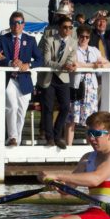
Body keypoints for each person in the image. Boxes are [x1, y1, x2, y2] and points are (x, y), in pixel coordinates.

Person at [36, 111, 110, 219]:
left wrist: (57, 175)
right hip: (93, 212)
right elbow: (67, 189)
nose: (91, 138)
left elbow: (95, 179)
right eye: (89, 133)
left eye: (96, 134)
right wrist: (55, 183)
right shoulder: (87, 158)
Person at [0, 11, 42, 147]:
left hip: (24, 79)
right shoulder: (3, 39)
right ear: (10, 24)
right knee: (12, 107)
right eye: (14, 22)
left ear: (24, 24)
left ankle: (16, 141)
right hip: (9, 79)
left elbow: (40, 59)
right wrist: (10, 63)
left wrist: (28, 65)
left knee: (21, 111)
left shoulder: (30, 40)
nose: (17, 25)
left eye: (20, 22)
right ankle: (12, 137)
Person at [67, 25, 110, 146]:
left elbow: (108, 64)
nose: (84, 39)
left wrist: (98, 65)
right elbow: (75, 63)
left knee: (91, 119)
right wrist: (93, 65)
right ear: (78, 37)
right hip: (77, 85)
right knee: (72, 117)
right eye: (82, 36)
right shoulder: (73, 48)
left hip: (91, 87)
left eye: (87, 36)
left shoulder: (94, 50)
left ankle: (90, 145)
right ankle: (69, 146)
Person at [39, 16, 78, 148]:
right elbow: (46, 61)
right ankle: (50, 137)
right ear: (59, 28)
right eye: (65, 27)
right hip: (49, 77)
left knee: (66, 107)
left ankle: (57, 135)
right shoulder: (49, 40)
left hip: (63, 77)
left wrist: (69, 66)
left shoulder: (73, 42)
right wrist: (63, 66)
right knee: (48, 108)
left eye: (70, 27)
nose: (67, 30)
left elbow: (71, 59)